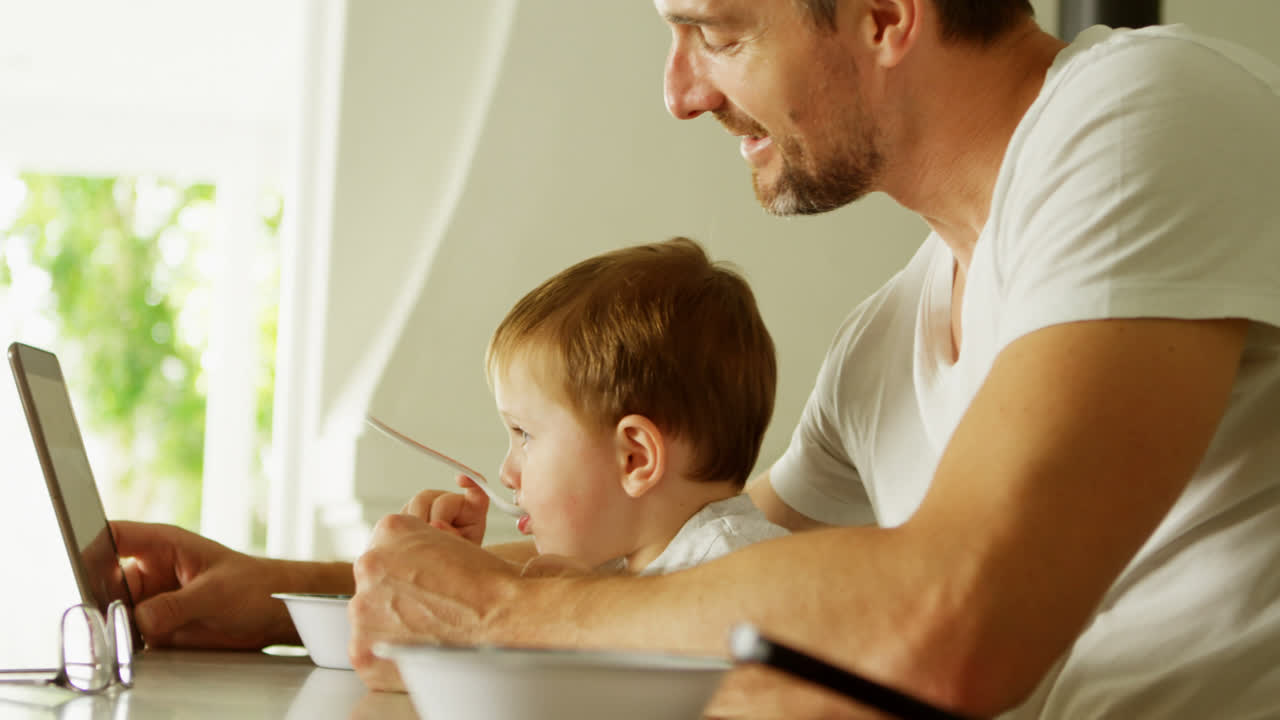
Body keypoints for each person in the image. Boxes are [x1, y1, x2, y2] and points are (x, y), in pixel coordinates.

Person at [110, 1, 1280, 717]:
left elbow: (949, 618)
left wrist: (490, 619)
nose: (678, 94)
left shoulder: (1136, 111)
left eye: (715, 33)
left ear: (882, 14)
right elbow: (672, 574)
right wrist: (297, 592)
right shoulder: (891, 334)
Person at [409, 236, 787, 577]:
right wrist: (460, 569)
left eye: (524, 434)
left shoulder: (737, 571)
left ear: (634, 458)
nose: (506, 473)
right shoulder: (618, 566)